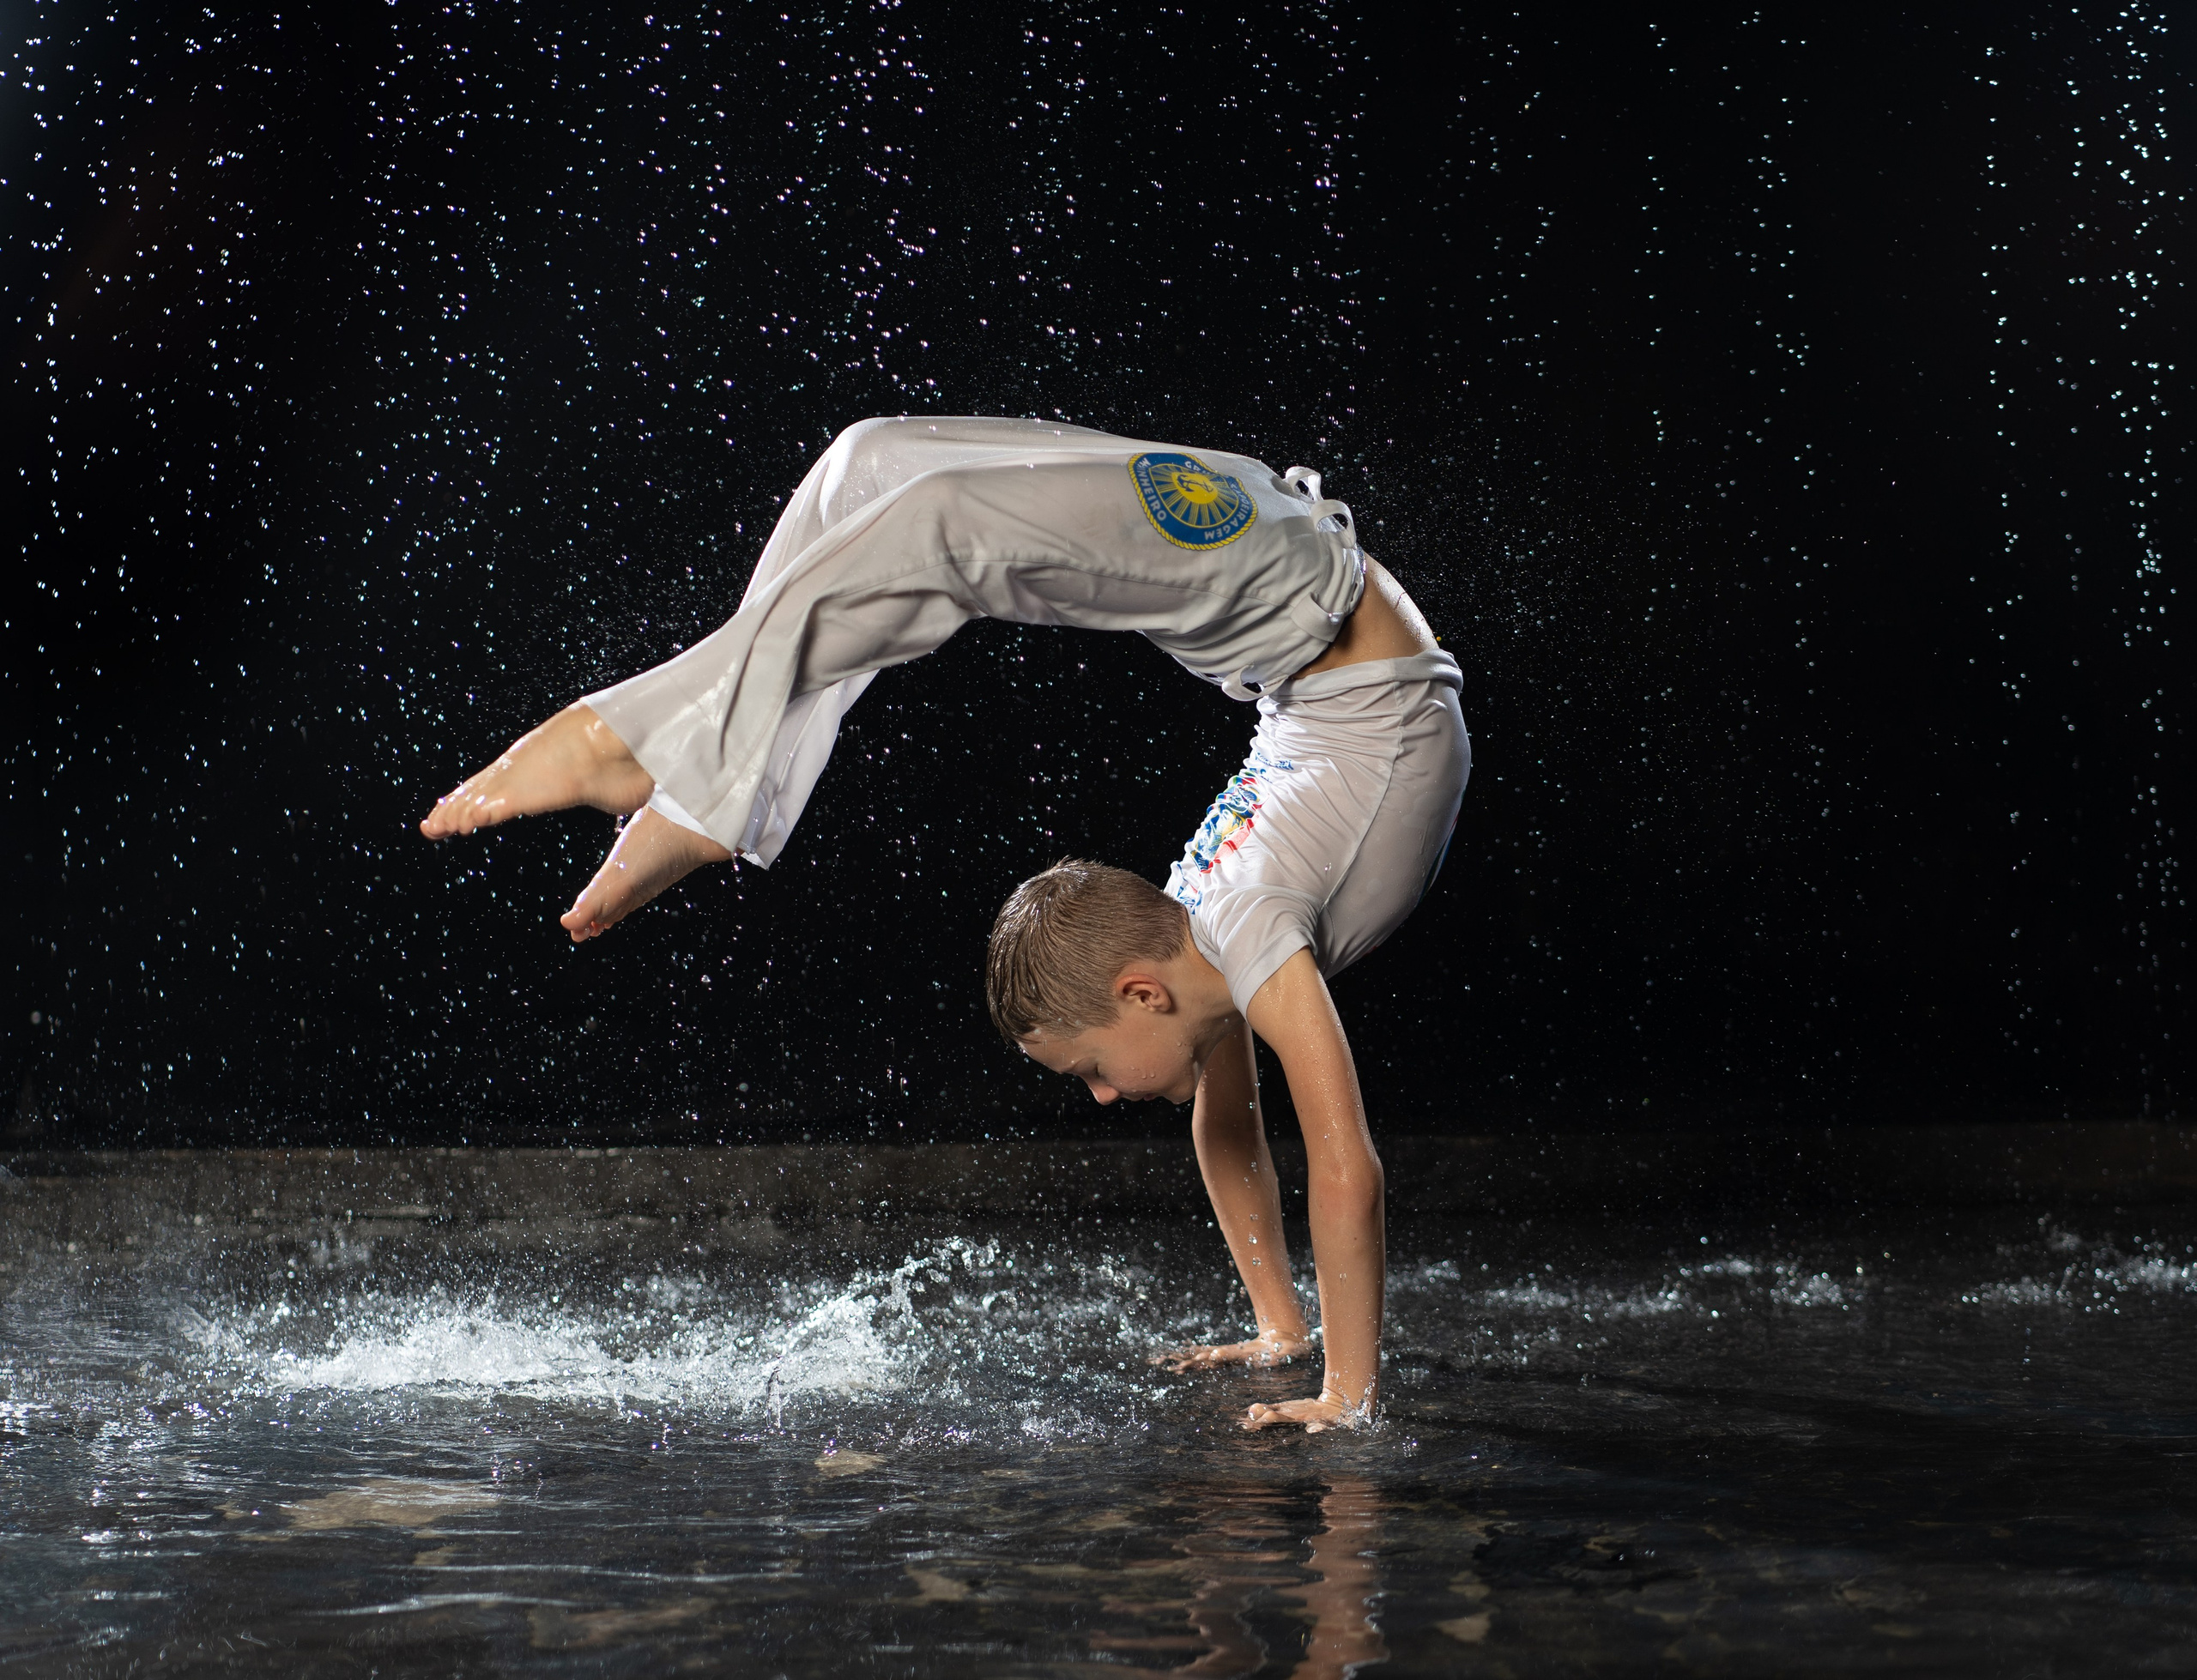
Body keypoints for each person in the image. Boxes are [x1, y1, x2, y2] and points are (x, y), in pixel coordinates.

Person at [420, 416, 1470, 1431]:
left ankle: (655, 754)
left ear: (1139, 991)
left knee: (930, 517)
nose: (1102, 1094)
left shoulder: (1234, 934)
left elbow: (1345, 1165)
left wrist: (1345, 1392)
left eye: (1087, 1068)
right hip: (1293, 612)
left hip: (1292, 598)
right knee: (869, 464)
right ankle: (708, 788)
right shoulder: (1215, 942)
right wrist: (1280, 1326)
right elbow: (1233, 1122)